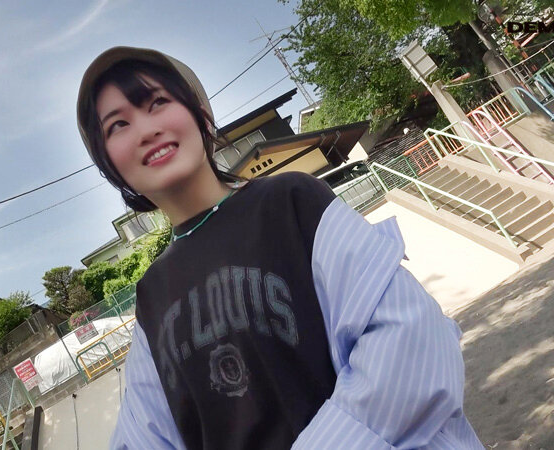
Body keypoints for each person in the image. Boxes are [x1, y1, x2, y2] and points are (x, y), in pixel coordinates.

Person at [76, 46, 483, 449]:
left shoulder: (292, 203)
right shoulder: (152, 296)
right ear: (109, 164)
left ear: (201, 115)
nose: (146, 130)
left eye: (158, 103)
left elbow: (411, 344)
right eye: (118, 125)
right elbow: (143, 436)